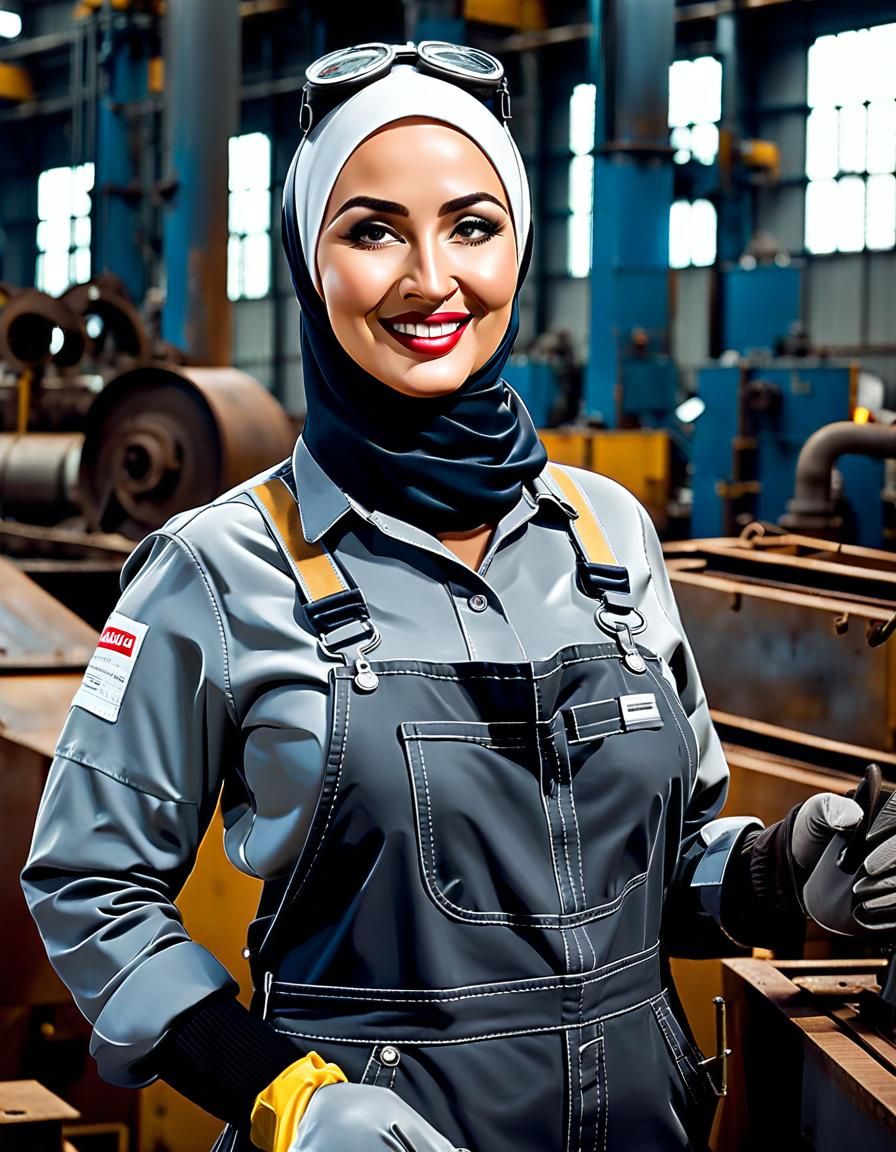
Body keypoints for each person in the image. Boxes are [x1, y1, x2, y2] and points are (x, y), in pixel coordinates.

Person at [21, 41, 896, 1152]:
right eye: (371, 228)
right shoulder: (212, 569)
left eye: (471, 226)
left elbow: (663, 871)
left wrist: (781, 872)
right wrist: (281, 1095)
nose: (429, 279)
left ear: (518, 249)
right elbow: (91, 888)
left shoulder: (607, 536)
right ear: (307, 255)